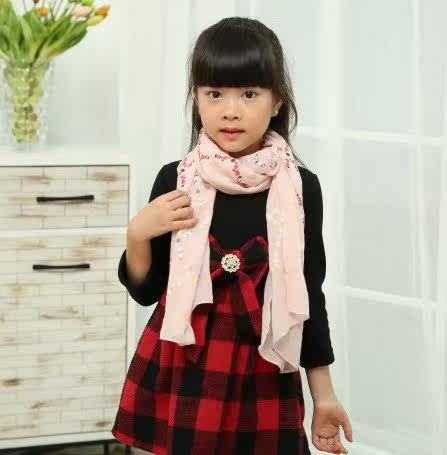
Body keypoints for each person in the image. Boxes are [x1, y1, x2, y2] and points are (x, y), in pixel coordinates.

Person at [111, 16, 353, 455]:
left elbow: (308, 296)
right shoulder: (176, 179)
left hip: (264, 365)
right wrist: (136, 233)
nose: (230, 110)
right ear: (197, 99)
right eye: (214, 93)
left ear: (277, 101)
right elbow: (146, 292)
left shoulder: (300, 188)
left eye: (249, 94)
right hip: (188, 364)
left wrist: (325, 397)